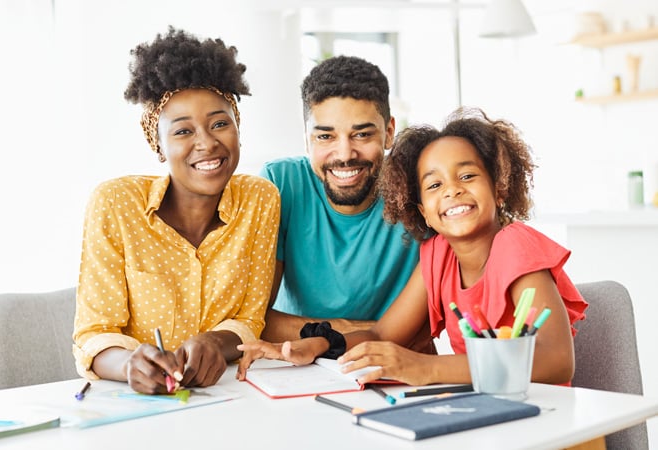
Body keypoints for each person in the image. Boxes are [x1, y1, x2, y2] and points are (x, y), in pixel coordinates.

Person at [237, 107, 588, 387]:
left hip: (543, 419)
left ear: (499, 187)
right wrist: (319, 344)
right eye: (434, 185)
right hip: (487, 413)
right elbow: (382, 333)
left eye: (467, 176)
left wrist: (428, 367)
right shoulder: (438, 255)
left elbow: (556, 360)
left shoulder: (515, 245)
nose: (451, 190)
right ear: (422, 211)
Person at [72, 27, 281, 394]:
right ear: (159, 144)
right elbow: (94, 333)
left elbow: (250, 318)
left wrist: (216, 342)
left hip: (231, 397)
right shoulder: (116, 204)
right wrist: (129, 365)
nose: (207, 143)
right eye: (183, 131)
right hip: (136, 406)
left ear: (237, 128)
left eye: (219, 124)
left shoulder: (260, 199)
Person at [259, 55, 421, 344]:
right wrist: (369, 331)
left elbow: (427, 327)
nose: (345, 154)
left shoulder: (418, 186)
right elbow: (256, 317)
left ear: (389, 133)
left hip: (392, 366)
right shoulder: (280, 184)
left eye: (361, 134)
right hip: (293, 367)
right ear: (307, 138)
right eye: (325, 137)